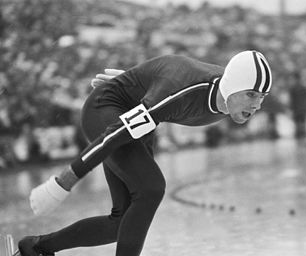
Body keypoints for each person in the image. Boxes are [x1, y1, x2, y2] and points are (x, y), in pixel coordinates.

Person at [18, 50, 272, 256]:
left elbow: (171, 67)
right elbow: (113, 135)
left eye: (262, 96)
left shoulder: (225, 89)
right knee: (151, 188)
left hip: (139, 113)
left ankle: (36, 247)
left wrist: (137, 82)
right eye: (251, 94)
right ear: (233, 86)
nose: (257, 104)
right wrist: (62, 183)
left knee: (122, 224)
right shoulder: (179, 92)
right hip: (106, 110)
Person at [289, 70, 306, 141]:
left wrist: (291, 109)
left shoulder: (293, 89)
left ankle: (300, 141)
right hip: (302, 110)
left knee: (299, 126)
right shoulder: (303, 88)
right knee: (302, 126)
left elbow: (292, 101)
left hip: (298, 110)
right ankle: (303, 141)